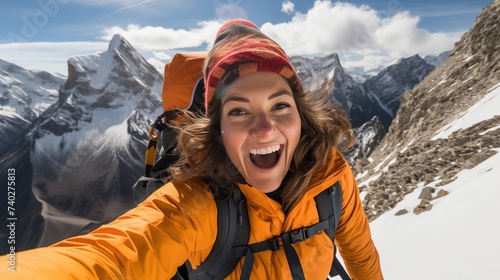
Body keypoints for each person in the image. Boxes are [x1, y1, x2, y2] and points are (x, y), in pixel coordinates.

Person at [0, 19, 383, 279]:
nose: (264, 128)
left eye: (280, 105)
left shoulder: (332, 177)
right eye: (238, 111)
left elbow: (360, 253)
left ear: (302, 115)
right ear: (215, 130)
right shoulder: (197, 202)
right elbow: (112, 258)